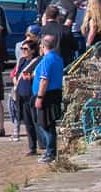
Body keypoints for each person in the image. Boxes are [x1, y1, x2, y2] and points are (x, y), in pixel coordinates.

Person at [33, 24, 66, 163]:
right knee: (48, 123)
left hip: (47, 94)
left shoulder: (48, 59)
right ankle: (50, 151)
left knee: (45, 124)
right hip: (55, 92)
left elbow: (44, 80)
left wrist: (40, 97)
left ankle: (50, 152)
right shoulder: (58, 58)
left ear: (43, 46)